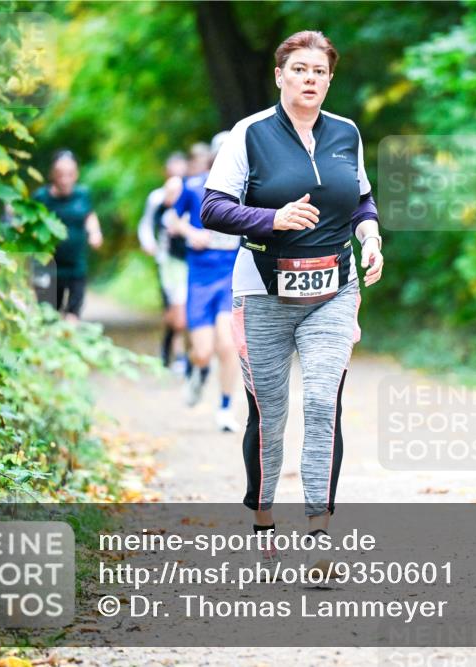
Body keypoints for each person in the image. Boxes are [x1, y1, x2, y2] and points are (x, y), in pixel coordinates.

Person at [200, 30, 384, 571]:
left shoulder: (346, 133)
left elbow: (362, 199)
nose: (310, 79)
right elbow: (212, 208)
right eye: (299, 69)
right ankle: (262, 519)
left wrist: (370, 237)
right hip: (262, 290)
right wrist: (271, 219)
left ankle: (320, 534)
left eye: (320, 71)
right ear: (280, 75)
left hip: (334, 287)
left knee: (324, 403)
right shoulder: (249, 134)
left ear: (330, 79)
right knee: (271, 414)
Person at [170, 135, 242, 432]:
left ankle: (225, 408)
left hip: (230, 276)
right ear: (213, 157)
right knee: (202, 350)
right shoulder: (193, 186)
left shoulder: (246, 190)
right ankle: (197, 370)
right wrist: (190, 233)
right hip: (199, 277)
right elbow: (173, 221)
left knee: (227, 344)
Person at [33, 150, 102, 321]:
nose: (64, 179)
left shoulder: (83, 194)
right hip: (48, 267)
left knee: (73, 316)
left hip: (76, 267)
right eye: (60, 174)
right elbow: (28, 225)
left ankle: (70, 343)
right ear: (52, 174)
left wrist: (95, 232)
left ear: (76, 174)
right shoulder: (41, 197)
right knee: (48, 317)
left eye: (69, 174)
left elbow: (89, 216)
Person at [138, 152, 189, 370]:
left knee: (182, 309)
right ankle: (170, 349)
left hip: (187, 261)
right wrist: (148, 243)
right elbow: (146, 224)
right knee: (172, 310)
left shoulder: (191, 195)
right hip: (165, 261)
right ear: (166, 172)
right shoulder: (157, 198)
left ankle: (179, 355)